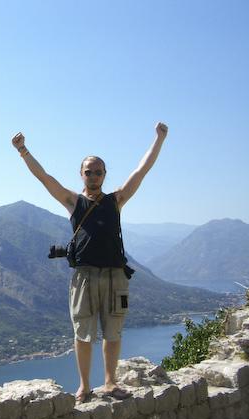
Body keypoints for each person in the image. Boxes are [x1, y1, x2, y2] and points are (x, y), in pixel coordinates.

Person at [11, 122, 168, 403]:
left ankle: (110, 382)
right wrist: (23, 151)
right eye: (88, 172)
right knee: (83, 333)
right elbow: (44, 178)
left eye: (98, 171)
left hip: (115, 275)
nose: (93, 175)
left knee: (113, 331)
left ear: (105, 174)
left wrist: (159, 139)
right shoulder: (73, 202)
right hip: (83, 276)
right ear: (81, 175)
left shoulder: (115, 200)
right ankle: (84, 386)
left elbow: (141, 171)